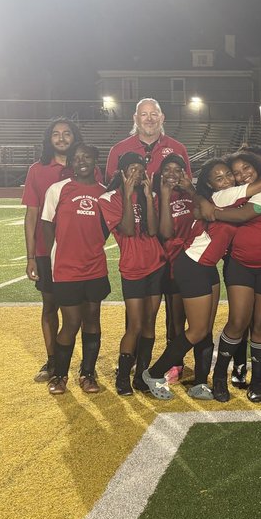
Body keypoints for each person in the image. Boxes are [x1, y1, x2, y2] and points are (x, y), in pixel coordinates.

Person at [142, 163, 261, 400]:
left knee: (205, 331)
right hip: (192, 265)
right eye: (219, 178)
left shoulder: (220, 196)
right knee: (198, 329)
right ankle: (153, 373)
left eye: (228, 176)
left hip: (207, 267)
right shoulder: (223, 197)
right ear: (211, 185)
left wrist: (195, 194)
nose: (227, 181)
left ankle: (200, 383)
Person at [195, 150, 261, 402]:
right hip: (240, 264)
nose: (241, 175)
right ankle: (219, 378)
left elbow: (242, 215)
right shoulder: (234, 192)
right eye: (235, 172)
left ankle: (257, 381)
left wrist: (211, 210)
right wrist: (203, 201)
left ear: (257, 166)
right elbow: (208, 196)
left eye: (246, 168)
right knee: (237, 322)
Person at [39, 142, 111, 395]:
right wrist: (53, 255)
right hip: (66, 268)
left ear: (95, 162)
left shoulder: (104, 193)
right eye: (77, 158)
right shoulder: (58, 189)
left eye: (87, 157)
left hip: (95, 266)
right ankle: (60, 376)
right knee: (71, 321)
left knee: (92, 318)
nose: (82, 161)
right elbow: (47, 224)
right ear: (71, 163)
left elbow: (106, 229)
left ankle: (88, 374)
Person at [21, 117, 82, 383]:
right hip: (47, 251)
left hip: (78, 252)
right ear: (49, 139)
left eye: (66, 133)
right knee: (50, 306)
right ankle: (53, 360)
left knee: (81, 310)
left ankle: (82, 363)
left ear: (74, 137)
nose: (61, 138)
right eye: (56, 134)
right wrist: (31, 256)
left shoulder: (85, 167)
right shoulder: (37, 170)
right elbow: (31, 215)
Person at [98, 152, 163, 396]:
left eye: (140, 168)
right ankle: (123, 376)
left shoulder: (151, 195)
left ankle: (141, 376)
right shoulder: (108, 198)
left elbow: (154, 230)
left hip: (156, 265)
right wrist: (126, 195)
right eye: (131, 169)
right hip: (133, 267)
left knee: (149, 323)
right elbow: (126, 229)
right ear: (122, 173)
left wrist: (147, 197)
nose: (137, 173)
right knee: (134, 325)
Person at [151, 153, 197, 389]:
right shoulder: (156, 198)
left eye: (177, 169)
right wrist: (166, 195)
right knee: (176, 318)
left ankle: (201, 365)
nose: (172, 173)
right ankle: (175, 362)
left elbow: (206, 217)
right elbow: (166, 233)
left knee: (199, 319)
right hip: (173, 263)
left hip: (198, 262)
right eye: (167, 169)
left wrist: (192, 192)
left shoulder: (193, 193)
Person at [105, 98, 191, 181]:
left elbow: (187, 187)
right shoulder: (118, 150)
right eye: (144, 114)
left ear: (162, 118)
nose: (149, 119)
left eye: (154, 114)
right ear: (135, 118)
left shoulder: (178, 148)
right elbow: (111, 188)